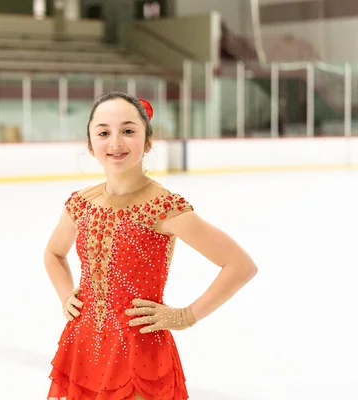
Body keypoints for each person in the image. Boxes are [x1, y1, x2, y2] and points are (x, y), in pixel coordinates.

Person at [44, 92, 258, 400]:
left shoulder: (162, 207)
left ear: (147, 142)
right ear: (91, 145)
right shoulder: (80, 204)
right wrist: (66, 295)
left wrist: (186, 316)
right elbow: (53, 254)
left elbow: (240, 265)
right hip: (83, 345)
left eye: (128, 131)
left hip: (139, 352)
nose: (116, 142)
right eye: (104, 133)